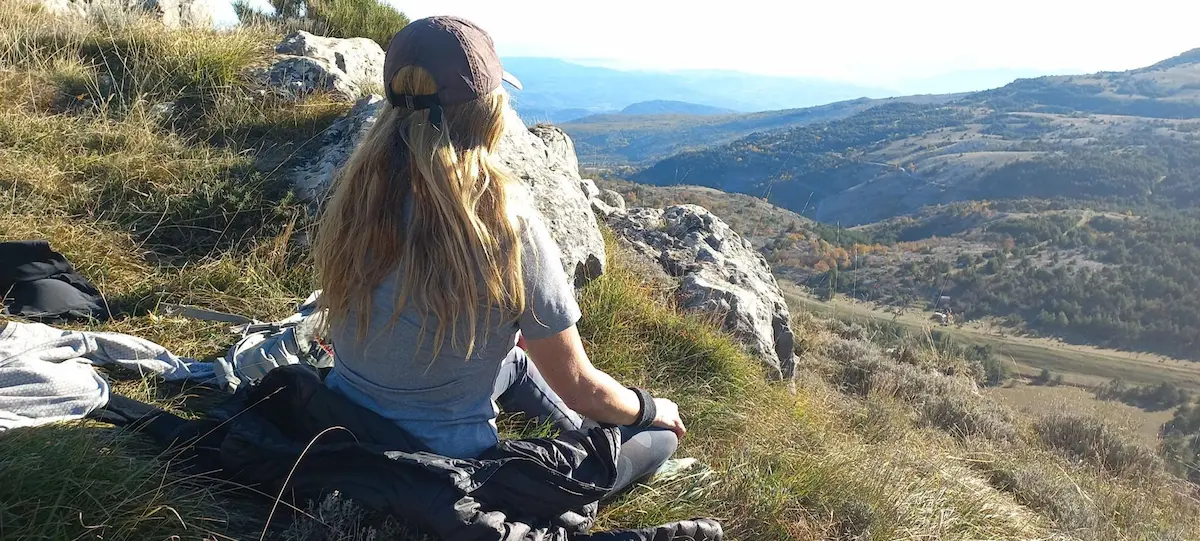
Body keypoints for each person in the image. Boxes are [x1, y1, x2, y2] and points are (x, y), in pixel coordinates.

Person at [311, 16, 686, 502]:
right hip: (449, 464)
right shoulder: (504, 221)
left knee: (516, 360)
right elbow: (579, 386)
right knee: (656, 438)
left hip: (344, 417)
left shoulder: (358, 194)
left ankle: (582, 435)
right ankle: (592, 445)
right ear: (486, 111)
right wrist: (650, 407)